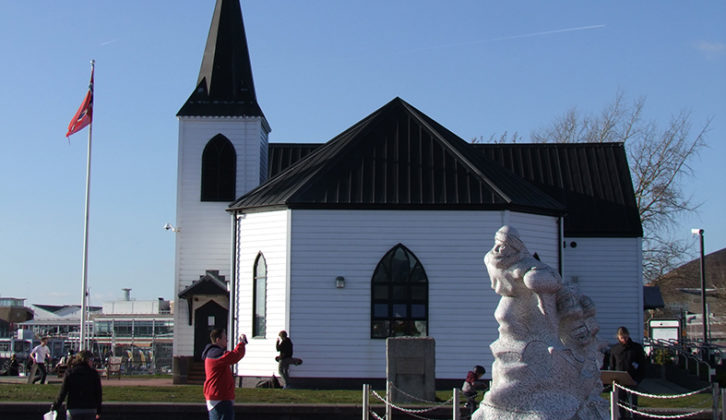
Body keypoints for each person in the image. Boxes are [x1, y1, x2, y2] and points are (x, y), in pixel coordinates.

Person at [202, 329, 247, 420]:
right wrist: (241, 343)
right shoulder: (216, 353)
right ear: (218, 340)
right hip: (220, 398)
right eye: (225, 338)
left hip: (217, 396)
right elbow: (234, 356)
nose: (227, 340)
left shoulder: (211, 353)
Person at [52, 350, 102, 420]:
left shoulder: (70, 373)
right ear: (86, 360)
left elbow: (63, 392)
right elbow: (98, 393)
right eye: (91, 359)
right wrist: (99, 411)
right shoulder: (94, 374)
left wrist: (55, 407)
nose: (93, 362)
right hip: (90, 408)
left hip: (73, 408)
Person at [609, 326, 647, 419]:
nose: (624, 340)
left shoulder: (636, 348)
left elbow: (642, 365)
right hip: (619, 382)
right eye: (622, 338)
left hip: (632, 381)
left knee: (632, 407)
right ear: (618, 337)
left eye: (626, 337)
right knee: (620, 406)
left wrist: (637, 380)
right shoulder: (615, 349)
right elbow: (612, 366)